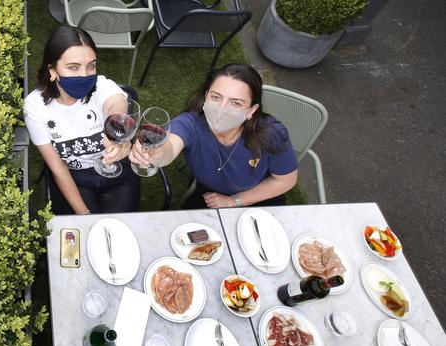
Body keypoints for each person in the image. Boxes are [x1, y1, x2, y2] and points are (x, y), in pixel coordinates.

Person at [129, 64, 298, 209]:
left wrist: (234, 201)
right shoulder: (191, 124)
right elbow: (170, 146)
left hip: (260, 196)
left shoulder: (271, 134)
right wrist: (157, 153)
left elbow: (284, 181)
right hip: (209, 195)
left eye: (235, 103)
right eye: (216, 97)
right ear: (206, 96)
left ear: (251, 111)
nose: (222, 109)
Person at [24, 25, 139, 215]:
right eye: (73, 67)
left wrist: (118, 131)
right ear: (52, 70)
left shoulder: (102, 86)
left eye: (91, 65)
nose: (85, 75)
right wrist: (84, 215)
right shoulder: (35, 107)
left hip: (118, 172)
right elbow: (58, 168)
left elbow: (116, 104)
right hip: (75, 177)